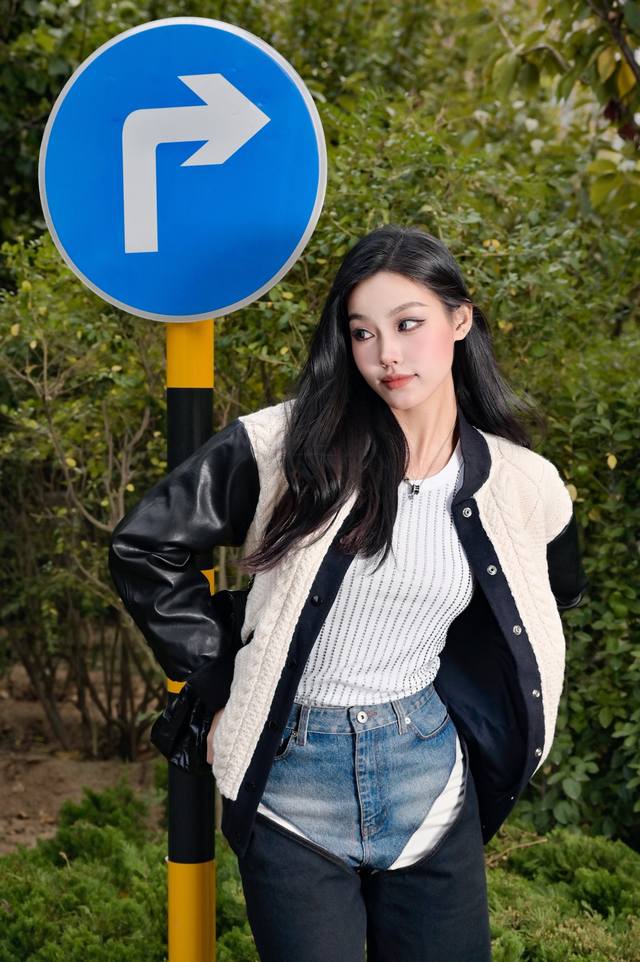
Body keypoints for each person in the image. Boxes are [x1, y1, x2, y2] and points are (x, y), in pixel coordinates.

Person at [108, 225, 588, 962]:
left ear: (460, 320)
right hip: (289, 783)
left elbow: (545, 599)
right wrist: (221, 682)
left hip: (429, 778)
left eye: (408, 324)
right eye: (363, 333)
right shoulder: (285, 446)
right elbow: (145, 546)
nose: (386, 354)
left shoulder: (525, 484)